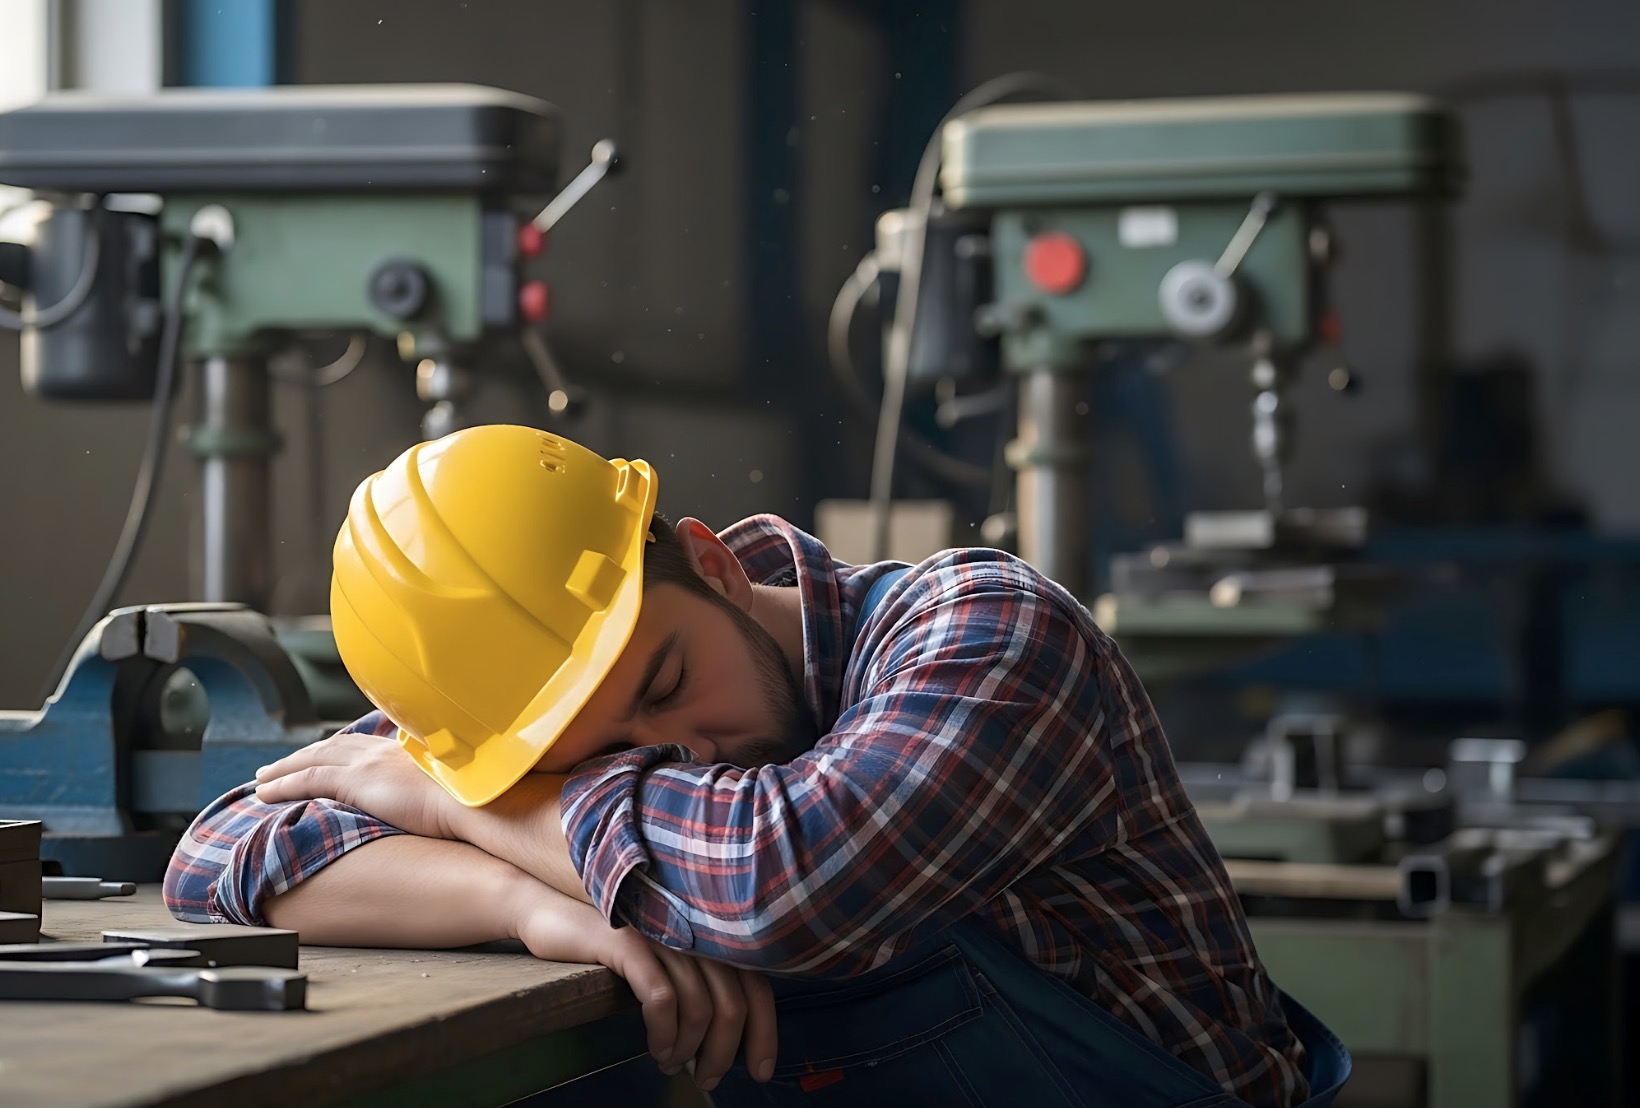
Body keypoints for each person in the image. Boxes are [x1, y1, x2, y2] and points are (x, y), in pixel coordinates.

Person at [165, 424, 1347, 1108]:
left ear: (710, 564)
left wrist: (454, 803)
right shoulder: (554, 711)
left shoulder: (985, 629)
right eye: (574, 767)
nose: (681, 762)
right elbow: (224, 848)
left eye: (667, 686)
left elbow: (778, 884)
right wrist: (525, 899)